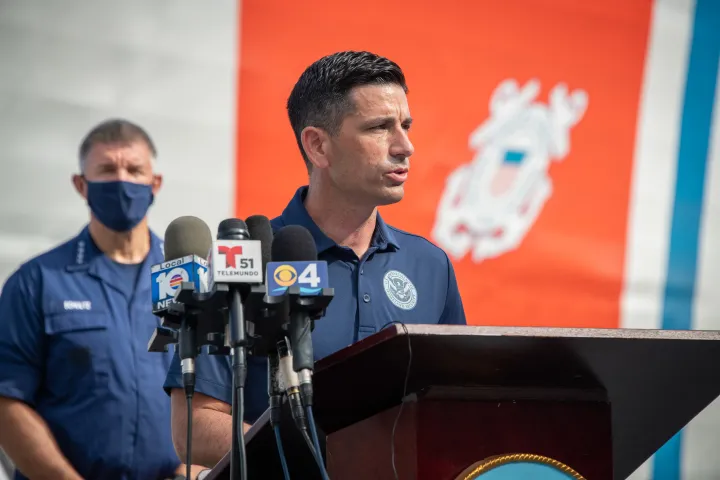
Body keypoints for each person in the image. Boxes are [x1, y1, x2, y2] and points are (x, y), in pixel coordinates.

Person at [164, 50, 467, 469]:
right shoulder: (244, 261)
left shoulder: (431, 265)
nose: (405, 146)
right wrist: (327, 456)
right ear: (318, 145)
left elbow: (456, 410)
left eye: (406, 126)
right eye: (380, 127)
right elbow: (192, 431)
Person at [0, 119, 203, 480]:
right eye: (107, 169)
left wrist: (202, 468)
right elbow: (7, 400)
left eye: (134, 169)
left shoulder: (192, 280)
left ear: (155, 183)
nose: (122, 180)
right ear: (81, 185)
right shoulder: (37, 282)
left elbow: (218, 392)